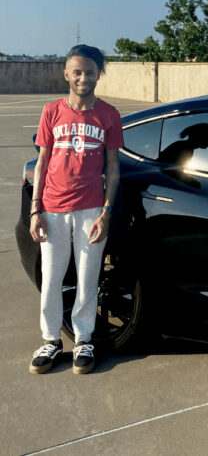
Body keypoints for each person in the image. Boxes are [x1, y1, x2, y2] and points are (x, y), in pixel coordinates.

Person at [28, 45, 123, 374]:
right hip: (53, 209)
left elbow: (113, 167)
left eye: (90, 71)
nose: (84, 77)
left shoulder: (108, 114)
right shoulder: (51, 111)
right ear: (66, 74)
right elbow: (42, 161)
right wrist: (35, 209)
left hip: (91, 210)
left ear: (100, 74)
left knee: (88, 278)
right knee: (52, 279)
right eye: (77, 71)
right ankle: (51, 340)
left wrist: (106, 212)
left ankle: (83, 340)